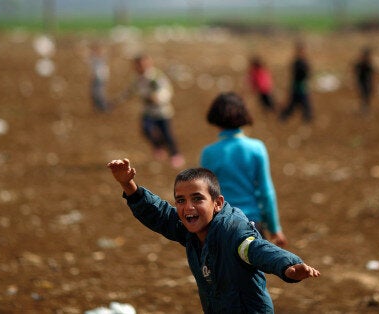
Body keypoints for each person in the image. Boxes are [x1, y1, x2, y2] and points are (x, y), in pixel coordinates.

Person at [107, 158, 320, 313]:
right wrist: (128, 185)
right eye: (180, 200)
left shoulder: (233, 232)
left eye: (197, 199)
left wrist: (287, 266)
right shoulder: (190, 228)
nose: (188, 207)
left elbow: (257, 249)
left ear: (217, 203)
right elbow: (160, 214)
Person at [200, 92, 287, 247]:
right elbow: (266, 192)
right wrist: (275, 228)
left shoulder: (209, 153)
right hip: (252, 224)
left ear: (215, 119)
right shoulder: (256, 148)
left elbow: (205, 193)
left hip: (221, 224)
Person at [113, 54, 185, 168]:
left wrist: (157, 98)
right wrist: (117, 101)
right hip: (148, 112)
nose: (140, 67)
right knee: (146, 130)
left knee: (167, 134)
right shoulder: (137, 78)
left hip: (162, 112)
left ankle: (175, 155)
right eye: (138, 65)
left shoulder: (156, 78)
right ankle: (158, 146)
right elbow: (130, 91)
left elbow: (166, 91)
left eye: (143, 64)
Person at [280, 43, 312, 123]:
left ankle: (307, 118)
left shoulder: (304, 62)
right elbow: (296, 75)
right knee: (298, 104)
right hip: (297, 85)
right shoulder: (297, 63)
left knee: (304, 104)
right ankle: (284, 117)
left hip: (302, 85)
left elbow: (308, 74)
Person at [354, 47, 375, 115]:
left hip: (367, 82)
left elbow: (372, 74)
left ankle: (365, 108)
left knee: (366, 96)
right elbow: (355, 71)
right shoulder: (360, 64)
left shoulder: (368, 65)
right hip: (361, 82)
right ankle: (364, 108)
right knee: (363, 95)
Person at [89, 43, 110, 112]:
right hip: (96, 78)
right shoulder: (94, 59)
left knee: (99, 93)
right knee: (94, 93)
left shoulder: (100, 59)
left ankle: (103, 107)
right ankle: (97, 106)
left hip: (100, 79)